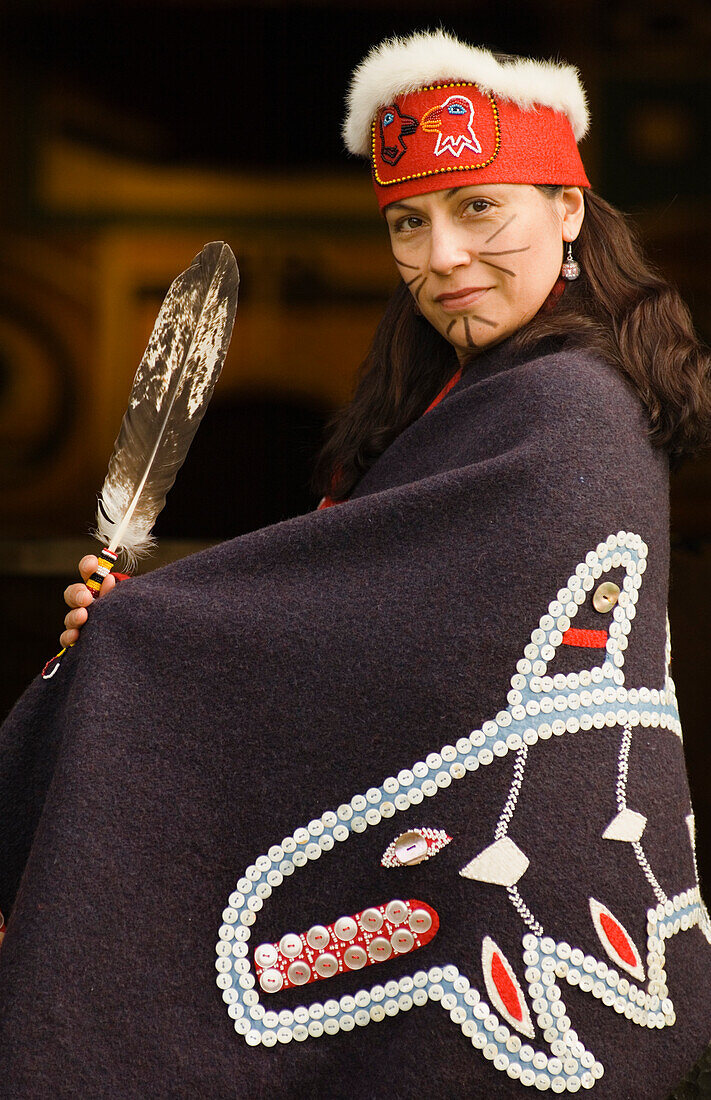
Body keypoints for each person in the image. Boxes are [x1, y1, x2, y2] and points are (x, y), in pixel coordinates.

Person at [2, 29, 710, 1099]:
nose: (441, 258)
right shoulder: (476, 391)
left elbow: (411, 641)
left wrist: (149, 637)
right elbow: (364, 592)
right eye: (408, 223)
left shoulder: (568, 409)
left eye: (479, 208)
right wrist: (140, 626)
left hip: (523, 887)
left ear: (567, 208)